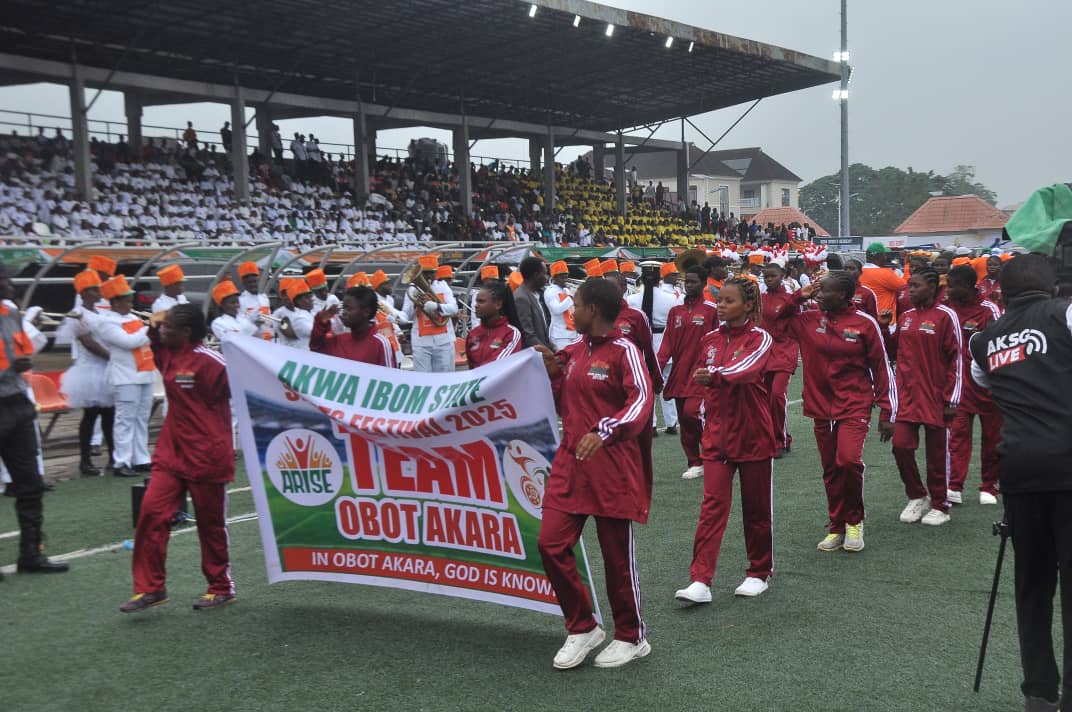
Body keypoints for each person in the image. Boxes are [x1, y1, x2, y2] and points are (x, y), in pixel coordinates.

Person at [967, 254, 1072, 712]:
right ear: (1051, 287)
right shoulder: (1064, 312)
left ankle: (1039, 692)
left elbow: (988, 384)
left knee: (1031, 585)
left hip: (1019, 471)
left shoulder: (982, 341)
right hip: (1068, 465)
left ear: (1001, 293)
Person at [534, 278, 654, 670]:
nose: (572, 312)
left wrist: (605, 429)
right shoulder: (573, 352)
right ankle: (583, 626)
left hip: (612, 467)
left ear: (595, 311)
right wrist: (551, 370)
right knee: (550, 544)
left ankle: (631, 636)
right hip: (570, 465)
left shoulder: (624, 351)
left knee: (616, 558)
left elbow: (641, 400)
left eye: (578, 305)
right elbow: (560, 399)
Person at [119, 305, 235, 612]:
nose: (161, 329)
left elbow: (249, 387)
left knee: (210, 525)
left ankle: (220, 586)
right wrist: (157, 324)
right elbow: (154, 339)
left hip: (207, 455)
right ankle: (150, 588)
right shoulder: (167, 353)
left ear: (186, 333)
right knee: (151, 515)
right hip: (172, 453)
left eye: (168, 326)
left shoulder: (213, 362)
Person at [773, 271, 896, 552]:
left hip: (854, 404)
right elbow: (773, 321)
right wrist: (796, 297)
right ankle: (836, 526)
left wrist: (888, 412)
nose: (818, 295)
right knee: (830, 469)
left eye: (824, 290)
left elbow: (881, 367)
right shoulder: (808, 320)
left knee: (848, 461)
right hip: (819, 406)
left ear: (842, 295)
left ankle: (854, 521)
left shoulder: (865, 324)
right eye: (816, 290)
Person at [674, 277, 776, 604]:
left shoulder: (760, 338)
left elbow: (746, 369)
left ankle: (759, 572)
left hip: (754, 436)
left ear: (748, 306)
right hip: (717, 437)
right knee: (711, 508)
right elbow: (703, 382)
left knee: (756, 509)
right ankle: (701, 580)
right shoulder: (710, 340)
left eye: (729, 301)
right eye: (719, 301)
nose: (720, 305)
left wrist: (717, 377)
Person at [879, 269, 962, 526]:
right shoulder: (905, 317)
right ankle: (917, 495)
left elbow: (957, 359)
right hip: (908, 398)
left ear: (933, 287)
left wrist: (952, 400)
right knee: (901, 446)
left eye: (915, 286)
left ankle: (940, 505)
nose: (909, 290)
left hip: (936, 398)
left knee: (936, 456)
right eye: (909, 286)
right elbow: (892, 350)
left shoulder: (946, 316)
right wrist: (884, 329)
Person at [0, 267, 68, 576]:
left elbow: (24, 351)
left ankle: (32, 553)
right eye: (3, 280)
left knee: (30, 483)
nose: (9, 285)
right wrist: (12, 365)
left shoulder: (10, 313)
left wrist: (23, 361)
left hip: (18, 403)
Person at [943, 265, 1003, 506]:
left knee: (992, 436)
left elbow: (999, 344)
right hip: (958, 388)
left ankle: (989, 485)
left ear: (967, 286)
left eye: (953, 285)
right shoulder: (947, 309)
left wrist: (998, 380)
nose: (948, 289)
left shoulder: (989, 309)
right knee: (957, 436)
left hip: (987, 386)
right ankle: (954, 485)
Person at [657, 266, 719, 479]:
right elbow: (667, 342)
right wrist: (658, 364)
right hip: (680, 373)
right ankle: (694, 462)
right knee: (685, 420)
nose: (688, 285)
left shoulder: (712, 310)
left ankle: (713, 453)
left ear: (704, 284)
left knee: (693, 413)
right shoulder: (676, 312)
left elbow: (719, 340)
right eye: (686, 281)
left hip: (701, 373)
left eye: (693, 282)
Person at [97, 275, 155, 478]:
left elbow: (144, 341)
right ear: (115, 302)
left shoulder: (133, 318)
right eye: (127, 300)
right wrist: (151, 327)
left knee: (141, 418)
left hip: (144, 372)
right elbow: (129, 342)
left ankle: (141, 459)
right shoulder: (106, 322)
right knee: (125, 420)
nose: (131, 304)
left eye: (131, 300)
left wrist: (149, 328)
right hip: (125, 377)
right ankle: (121, 461)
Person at [60, 270, 115, 476]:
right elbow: (88, 342)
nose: (98, 292)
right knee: (91, 416)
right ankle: (85, 460)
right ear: (85, 293)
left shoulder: (100, 313)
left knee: (109, 415)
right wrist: (111, 356)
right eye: (94, 289)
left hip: (103, 368)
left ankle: (113, 456)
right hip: (90, 369)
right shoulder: (77, 314)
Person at [626, 263, 681, 435]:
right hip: (664, 341)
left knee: (645, 384)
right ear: (660, 279)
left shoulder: (631, 300)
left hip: (642, 344)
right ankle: (672, 423)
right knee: (666, 382)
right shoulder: (672, 298)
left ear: (641, 278)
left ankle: (651, 424)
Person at [760, 260, 799, 457]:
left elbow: (799, 325)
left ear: (782, 275)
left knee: (777, 394)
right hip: (765, 352)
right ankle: (771, 438)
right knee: (765, 397)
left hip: (785, 351)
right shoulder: (760, 298)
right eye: (766, 276)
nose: (768, 280)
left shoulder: (790, 299)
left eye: (772, 276)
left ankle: (782, 439)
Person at [310, 286, 396, 367]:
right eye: (343, 308)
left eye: (349, 309)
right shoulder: (339, 340)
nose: (344, 312)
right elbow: (316, 348)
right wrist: (321, 322)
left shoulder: (380, 344)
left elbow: (390, 378)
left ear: (366, 312)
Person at [403, 254, 459, 372]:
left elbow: (454, 309)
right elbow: (406, 316)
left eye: (431, 272)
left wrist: (437, 306)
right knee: (424, 379)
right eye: (425, 273)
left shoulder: (443, 287)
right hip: (421, 342)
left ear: (436, 273)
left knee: (443, 377)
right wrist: (415, 305)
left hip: (443, 340)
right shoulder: (412, 290)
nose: (428, 276)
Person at [465, 280, 522, 368]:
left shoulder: (511, 334)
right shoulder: (472, 334)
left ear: (498, 305)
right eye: (476, 301)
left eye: (481, 301)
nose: (476, 305)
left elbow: (497, 367)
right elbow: (471, 368)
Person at [514, 256, 553, 350]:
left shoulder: (538, 294)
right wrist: (548, 353)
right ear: (536, 275)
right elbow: (528, 335)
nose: (547, 278)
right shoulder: (521, 298)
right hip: (536, 354)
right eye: (545, 274)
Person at [858, 242, 906, 319]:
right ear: (879, 256)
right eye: (884, 255)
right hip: (885, 318)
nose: (885, 258)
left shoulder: (859, 272)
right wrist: (907, 266)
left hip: (865, 319)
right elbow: (906, 288)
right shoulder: (885, 273)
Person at [543, 260, 577, 350]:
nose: (565, 280)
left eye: (566, 277)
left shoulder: (566, 290)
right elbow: (556, 310)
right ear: (554, 278)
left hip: (573, 332)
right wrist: (570, 297)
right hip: (560, 335)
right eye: (562, 278)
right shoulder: (550, 291)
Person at [275, 279, 315, 350]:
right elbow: (289, 333)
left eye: (289, 293)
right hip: (290, 352)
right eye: (284, 294)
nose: (287, 296)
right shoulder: (279, 314)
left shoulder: (303, 311)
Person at [237, 261, 272, 341]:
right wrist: (253, 321)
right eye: (249, 282)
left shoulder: (264, 298)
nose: (253, 284)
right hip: (252, 341)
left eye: (255, 281)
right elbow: (240, 325)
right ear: (244, 283)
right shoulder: (240, 301)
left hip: (268, 340)